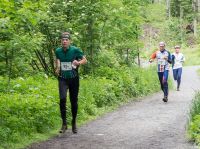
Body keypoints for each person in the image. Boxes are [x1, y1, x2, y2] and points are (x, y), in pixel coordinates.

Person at [55, 32, 87, 133]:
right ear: (61, 41)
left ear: (69, 41)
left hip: (74, 78)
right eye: (63, 40)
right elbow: (57, 60)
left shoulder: (75, 50)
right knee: (62, 99)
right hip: (62, 78)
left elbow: (85, 60)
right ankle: (64, 123)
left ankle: (74, 123)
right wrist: (57, 67)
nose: (64, 41)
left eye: (66, 40)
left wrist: (79, 62)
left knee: (73, 101)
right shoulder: (58, 51)